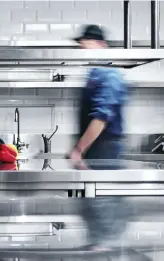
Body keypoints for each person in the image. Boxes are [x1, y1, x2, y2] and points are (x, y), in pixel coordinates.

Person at [69, 25, 131, 251]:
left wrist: (79, 149)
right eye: (81, 45)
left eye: (87, 43)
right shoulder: (95, 74)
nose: (82, 48)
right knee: (93, 200)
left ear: (102, 45)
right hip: (97, 149)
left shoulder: (109, 74)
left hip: (105, 149)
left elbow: (101, 118)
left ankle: (107, 249)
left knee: (103, 198)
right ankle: (97, 245)